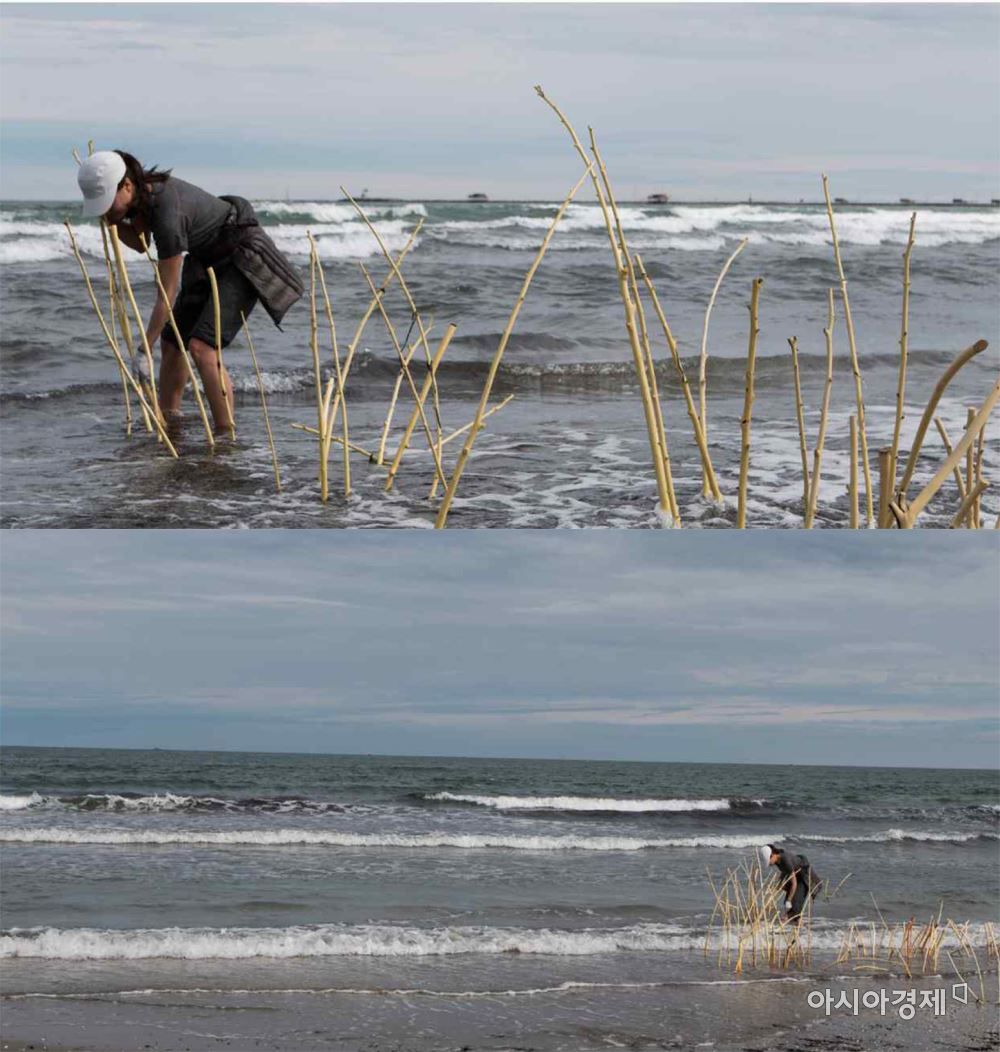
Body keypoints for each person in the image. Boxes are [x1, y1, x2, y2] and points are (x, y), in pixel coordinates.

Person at [76, 150, 303, 434]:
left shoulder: (168, 212)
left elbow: (167, 293)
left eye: (108, 202)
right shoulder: (144, 197)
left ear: (127, 186)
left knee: (202, 347)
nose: (107, 209)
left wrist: (143, 348)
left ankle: (225, 436)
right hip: (206, 259)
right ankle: (169, 422)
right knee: (172, 343)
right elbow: (141, 244)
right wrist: (111, 220)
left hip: (239, 259)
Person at [767, 844, 822, 924]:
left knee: (795, 905)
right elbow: (784, 871)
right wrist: (779, 885)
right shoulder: (778, 860)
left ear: (773, 855)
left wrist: (789, 900)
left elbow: (794, 883)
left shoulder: (785, 859)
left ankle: (792, 922)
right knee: (792, 905)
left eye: (769, 861)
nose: (769, 864)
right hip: (795, 874)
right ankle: (798, 928)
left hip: (803, 875)